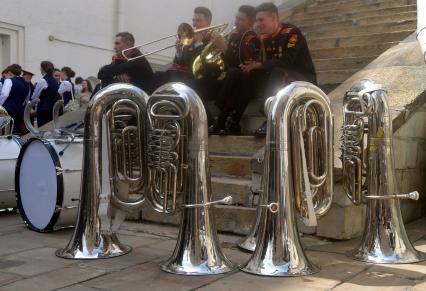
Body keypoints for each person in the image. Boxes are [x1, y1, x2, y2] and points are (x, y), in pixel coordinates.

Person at [243, 2, 317, 136]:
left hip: (302, 78)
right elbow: (264, 62)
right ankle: (231, 118)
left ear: (273, 17)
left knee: (278, 71)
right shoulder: (265, 37)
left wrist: (260, 65)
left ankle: (271, 119)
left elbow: (286, 62)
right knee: (244, 74)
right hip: (281, 77)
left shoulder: (291, 33)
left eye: (261, 20)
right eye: (256, 20)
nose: (258, 24)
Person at [208, 5, 261, 135]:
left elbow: (243, 66)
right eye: (236, 18)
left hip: (248, 83)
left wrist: (225, 48)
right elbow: (227, 65)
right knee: (231, 74)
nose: (236, 21)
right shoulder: (234, 36)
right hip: (233, 81)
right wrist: (219, 51)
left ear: (251, 22)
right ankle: (226, 121)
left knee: (235, 73)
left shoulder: (252, 39)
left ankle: (223, 120)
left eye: (241, 19)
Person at [0, 64, 30, 135]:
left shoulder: (9, 81)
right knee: (15, 131)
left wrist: (0, 106)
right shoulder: (26, 84)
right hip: (19, 111)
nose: (5, 78)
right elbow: (26, 100)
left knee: (6, 132)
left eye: (5, 76)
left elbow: (4, 95)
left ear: (9, 72)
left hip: (7, 110)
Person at [30, 61, 60, 127]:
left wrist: (30, 105)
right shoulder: (54, 81)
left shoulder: (43, 80)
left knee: (42, 129)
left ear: (42, 69)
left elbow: (35, 96)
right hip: (52, 108)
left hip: (43, 109)